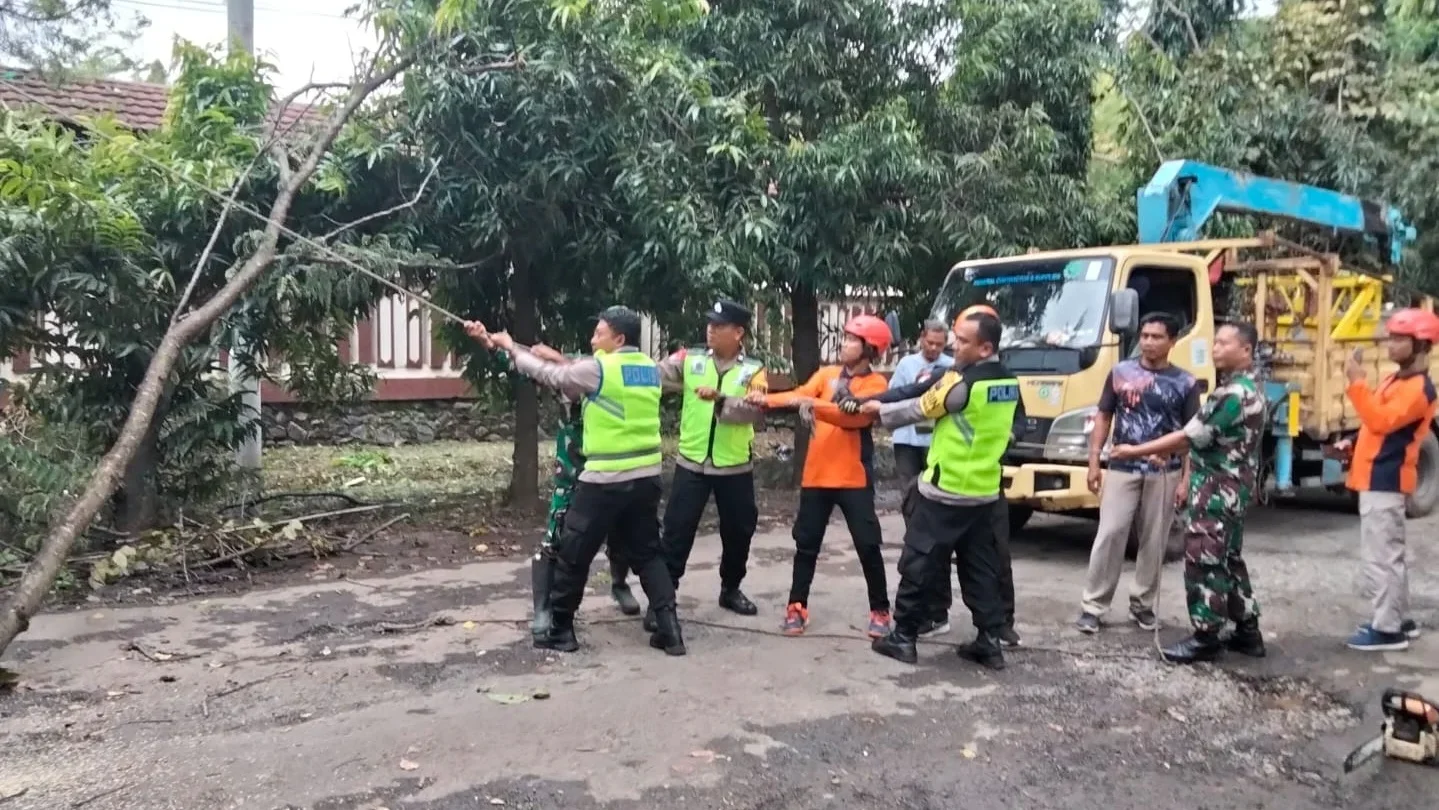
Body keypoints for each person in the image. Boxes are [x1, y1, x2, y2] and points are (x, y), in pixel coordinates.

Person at [464, 307, 685, 656]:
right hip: (646, 475)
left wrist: (508, 347)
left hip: (605, 477)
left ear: (619, 339)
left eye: (599, 334)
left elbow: (549, 375)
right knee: (647, 553)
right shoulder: (648, 368)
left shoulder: (598, 369)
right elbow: (569, 368)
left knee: (574, 552)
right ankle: (670, 631)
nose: (592, 340)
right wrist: (509, 346)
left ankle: (561, 630)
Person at [840, 305, 1024, 647]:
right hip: (984, 491)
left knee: (919, 560)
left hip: (946, 489)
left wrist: (877, 410)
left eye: (963, 342)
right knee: (981, 567)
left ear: (985, 348)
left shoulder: (960, 383)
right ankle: (989, 640)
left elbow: (918, 407)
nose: (955, 346)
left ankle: (905, 636)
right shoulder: (1008, 382)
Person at [1110, 322, 1266, 664]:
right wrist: (1164, 453)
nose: (1216, 348)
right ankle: (1247, 630)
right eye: (1216, 342)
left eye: (1225, 343)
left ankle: (1205, 636)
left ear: (1246, 351)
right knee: (1229, 559)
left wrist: (1132, 451)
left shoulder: (1232, 395)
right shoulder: (1251, 388)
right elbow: (1209, 440)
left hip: (1216, 491)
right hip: (1233, 489)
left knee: (1204, 561)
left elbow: (1187, 436)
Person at [749, 314, 893, 638]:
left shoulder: (875, 386)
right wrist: (766, 400)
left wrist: (810, 403)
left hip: (853, 478)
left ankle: (880, 610)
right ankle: (796, 606)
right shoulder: (826, 375)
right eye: (845, 338)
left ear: (870, 348)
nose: (844, 344)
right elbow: (800, 393)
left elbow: (850, 418)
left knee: (868, 545)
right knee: (806, 545)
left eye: (852, 340)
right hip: (816, 476)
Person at [1076, 313, 1200, 635]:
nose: (1148, 342)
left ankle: (1143, 605)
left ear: (1172, 341)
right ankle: (1093, 606)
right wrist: (1094, 462)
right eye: (1144, 335)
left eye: (1156, 337)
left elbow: (1191, 437)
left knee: (1154, 540)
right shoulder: (1120, 373)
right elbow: (1103, 416)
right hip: (1122, 467)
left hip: (1165, 472)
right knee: (1110, 534)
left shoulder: (1185, 383)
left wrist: (1186, 480)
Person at [650, 300, 768, 628]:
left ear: (739, 332)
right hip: (692, 464)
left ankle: (731, 588)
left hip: (734, 467)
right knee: (676, 532)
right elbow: (654, 375)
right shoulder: (690, 359)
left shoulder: (754, 370)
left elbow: (756, 411)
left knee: (739, 532)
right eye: (710, 324)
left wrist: (720, 400)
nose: (711, 330)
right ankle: (663, 599)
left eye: (719, 326)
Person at [522, 344, 644, 642]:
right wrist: (493, 342)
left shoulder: (604, 373)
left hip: (609, 468)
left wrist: (561, 360)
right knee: (555, 536)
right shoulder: (565, 381)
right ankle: (544, 609)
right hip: (572, 470)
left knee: (622, 533)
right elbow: (528, 366)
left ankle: (619, 584)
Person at [1339, 307, 1438, 652]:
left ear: (1421, 345)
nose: (1390, 344)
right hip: (1375, 476)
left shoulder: (1419, 389)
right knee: (1388, 554)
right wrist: (1351, 444)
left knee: (1381, 557)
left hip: (1387, 480)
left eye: (1399, 339)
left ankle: (1387, 629)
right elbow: (1376, 425)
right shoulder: (1398, 381)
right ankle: (1400, 619)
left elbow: (1381, 420)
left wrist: (1356, 381)